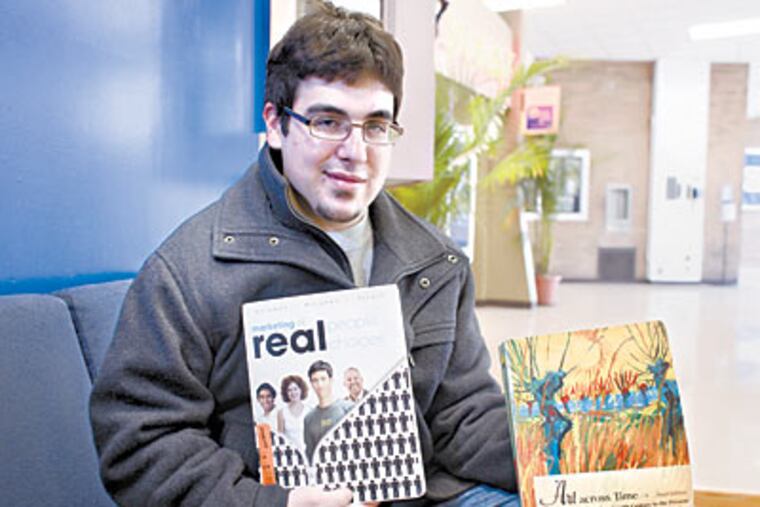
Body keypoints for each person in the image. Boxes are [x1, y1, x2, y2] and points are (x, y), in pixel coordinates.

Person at [90, 2, 518, 506]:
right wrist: (281, 503)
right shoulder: (187, 273)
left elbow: (462, 416)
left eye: (375, 125)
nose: (356, 151)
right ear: (276, 124)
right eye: (327, 121)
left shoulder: (435, 262)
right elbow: (142, 446)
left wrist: (573, 449)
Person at [302, 361, 352, 462]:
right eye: (315, 380)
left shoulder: (348, 409)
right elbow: (310, 455)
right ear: (311, 384)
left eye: (323, 379)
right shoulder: (309, 419)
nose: (320, 385)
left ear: (331, 380)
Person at [277, 375, 310, 451]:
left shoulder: (309, 410)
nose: (293, 393)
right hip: (291, 454)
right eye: (289, 390)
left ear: (301, 390)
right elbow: (280, 438)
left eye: (295, 389)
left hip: (308, 453)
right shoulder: (281, 413)